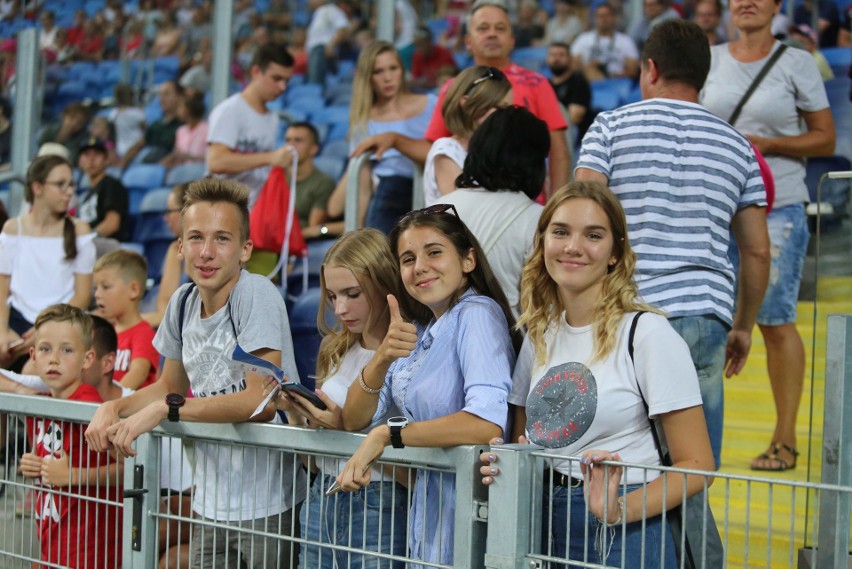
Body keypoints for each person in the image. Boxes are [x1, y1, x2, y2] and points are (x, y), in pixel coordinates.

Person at [481, 182, 714, 568]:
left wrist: (616, 509)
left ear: (614, 253)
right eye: (560, 232)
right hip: (545, 520)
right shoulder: (540, 332)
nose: (573, 246)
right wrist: (508, 460)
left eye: (593, 235)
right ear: (542, 244)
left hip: (629, 528)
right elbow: (525, 441)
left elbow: (698, 465)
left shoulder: (648, 334)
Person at [576, 19, 771, 469]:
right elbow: (758, 250)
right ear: (704, 78)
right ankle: (697, 544)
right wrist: (741, 326)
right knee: (693, 469)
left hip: (623, 311)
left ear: (650, 68)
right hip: (704, 315)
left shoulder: (609, 126)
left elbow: (582, 215)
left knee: (624, 465)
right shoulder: (739, 146)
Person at [85, 179, 304, 567]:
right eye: (196, 238)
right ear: (181, 246)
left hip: (269, 501)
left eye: (222, 239)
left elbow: (261, 401)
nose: (206, 252)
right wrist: (113, 408)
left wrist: (167, 410)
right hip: (211, 501)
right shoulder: (182, 301)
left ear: (245, 250)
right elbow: (167, 386)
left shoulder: (256, 294)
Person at [336, 204, 516, 566]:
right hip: (432, 510)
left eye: (434, 252)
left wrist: (389, 434)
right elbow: (354, 419)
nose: (419, 267)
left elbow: (486, 422)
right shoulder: (420, 329)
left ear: (468, 260)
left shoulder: (477, 314)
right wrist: (382, 356)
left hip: (472, 513)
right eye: (407, 258)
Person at [701, 0, 835, 472]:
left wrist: (767, 144)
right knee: (705, 318)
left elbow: (826, 138)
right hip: (715, 206)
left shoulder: (797, 60)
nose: (747, 3)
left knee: (776, 322)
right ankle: (691, 440)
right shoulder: (709, 57)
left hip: (779, 204)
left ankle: (785, 439)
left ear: (777, 5)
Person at [267, 229, 408, 568]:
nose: (341, 308)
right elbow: (313, 462)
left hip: (381, 502)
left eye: (352, 293)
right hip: (322, 497)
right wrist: (299, 415)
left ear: (384, 283)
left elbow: (415, 460)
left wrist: (345, 431)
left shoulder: (409, 350)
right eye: (332, 296)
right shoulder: (335, 348)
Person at [427, 1, 570, 194]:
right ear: (468, 41)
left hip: (529, 204)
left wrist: (554, 208)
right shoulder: (454, 87)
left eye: (500, 28)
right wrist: (397, 141)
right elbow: (435, 146)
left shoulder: (537, 83)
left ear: (512, 40)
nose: (492, 34)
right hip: (469, 204)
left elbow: (558, 151)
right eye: (483, 28)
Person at [20, 304, 121, 568]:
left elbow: (127, 467)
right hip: (52, 542)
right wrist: (33, 465)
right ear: (32, 355)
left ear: (87, 359)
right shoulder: (38, 405)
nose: (53, 359)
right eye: (45, 349)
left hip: (90, 548)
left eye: (66, 350)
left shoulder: (88, 404)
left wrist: (72, 476)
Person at [437, 106, 547, 316]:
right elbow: (539, 307)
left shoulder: (437, 208)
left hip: (438, 341)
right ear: (533, 162)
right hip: (507, 343)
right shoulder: (538, 219)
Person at [207, 42, 296, 273]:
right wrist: (270, 157)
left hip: (258, 218)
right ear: (256, 72)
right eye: (276, 78)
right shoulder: (231, 110)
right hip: (225, 218)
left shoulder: (272, 118)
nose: (282, 86)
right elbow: (216, 161)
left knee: (260, 291)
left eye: (286, 80)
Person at [0, 155, 95, 370]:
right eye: (61, 184)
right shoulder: (13, 229)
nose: (69, 191)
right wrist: (3, 332)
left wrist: (46, 330)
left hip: (61, 323)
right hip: (16, 321)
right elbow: (2, 288)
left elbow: (81, 295)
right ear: (37, 188)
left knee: (33, 368)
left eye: (71, 184)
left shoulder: (80, 231)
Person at [337, 41, 437, 233]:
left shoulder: (430, 104)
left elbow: (443, 154)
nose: (388, 78)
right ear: (368, 77)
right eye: (378, 71)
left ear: (402, 70)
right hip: (389, 195)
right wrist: (353, 234)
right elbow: (363, 187)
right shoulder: (363, 122)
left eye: (393, 68)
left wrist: (396, 141)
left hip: (432, 190)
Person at [423, 65, 512, 206]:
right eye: (497, 108)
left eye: (507, 108)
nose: (505, 116)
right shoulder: (446, 150)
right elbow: (462, 213)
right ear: (467, 104)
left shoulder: (499, 149)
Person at [93, 250, 159, 390]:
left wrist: (110, 403)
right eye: (96, 288)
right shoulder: (103, 333)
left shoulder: (144, 334)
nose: (97, 294)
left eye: (106, 287)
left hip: (126, 409)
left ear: (133, 290)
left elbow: (138, 373)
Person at [142, 184, 189, 328]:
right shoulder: (175, 248)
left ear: (186, 212)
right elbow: (164, 302)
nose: (165, 217)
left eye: (170, 211)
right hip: (170, 320)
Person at [283, 122, 339, 239]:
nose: (291, 145)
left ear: (313, 149)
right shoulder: (276, 177)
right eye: (288, 140)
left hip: (296, 242)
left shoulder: (323, 183)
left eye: (298, 141)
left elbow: (312, 228)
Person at [77, 137, 131, 241]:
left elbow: (112, 224)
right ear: (80, 161)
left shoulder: (112, 185)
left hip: (107, 245)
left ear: (106, 160)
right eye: (86, 155)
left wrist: (86, 239)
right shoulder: (85, 194)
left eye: (97, 154)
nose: (91, 160)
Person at [121, 80, 184, 168]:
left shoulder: (183, 125)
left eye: (166, 94)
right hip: (147, 162)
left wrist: (157, 168)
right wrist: (123, 162)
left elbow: (177, 153)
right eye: (160, 95)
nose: (161, 99)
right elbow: (139, 144)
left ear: (179, 97)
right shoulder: (156, 124)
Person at [571, 3, 639, 82]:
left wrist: (612, 76)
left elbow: (633, 70)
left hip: (617, 82)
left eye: (607, 15)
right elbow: (573, 65)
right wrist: (589, 66)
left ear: (614, 18)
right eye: (599, 16)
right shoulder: (583, 39)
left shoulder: (626, 40)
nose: (603, 19)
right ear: (594, 19)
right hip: (588, 81)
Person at [547, 41, 592, 143]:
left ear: (570, 59)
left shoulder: (578, 81)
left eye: (561, 55)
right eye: (553, 55)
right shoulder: (545, 83)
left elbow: (574, 118)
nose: (556, 59)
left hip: (574, 138)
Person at [305, 0, 357, 85]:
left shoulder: (332, 10)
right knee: (313, 82)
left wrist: (331, 45)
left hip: (321, 50)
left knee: (316, 84)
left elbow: (343, 29)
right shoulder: (321, 11)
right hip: (315, 51)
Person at [162, 92, 208, 169]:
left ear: (189, 109)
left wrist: (187, 156)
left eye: (180, 107)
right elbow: (176, 154)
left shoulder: (207, 129)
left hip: (200, 172)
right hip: (180, 171)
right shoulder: (180, 131)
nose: (177, 110)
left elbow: (210, 159)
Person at [410, 25, 457, 91]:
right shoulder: (417, 55)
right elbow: (415, 78)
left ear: (429, 42)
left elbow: (449, 81)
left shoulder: (444, 55)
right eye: (416, 46)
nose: (418, 49)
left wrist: (429, 84)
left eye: (421, 45)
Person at [109, 84, 146, 160]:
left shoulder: (113, 114)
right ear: (131, 97)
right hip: (135, 148)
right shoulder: (137, 113)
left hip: (120, 150)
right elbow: (146, 131)